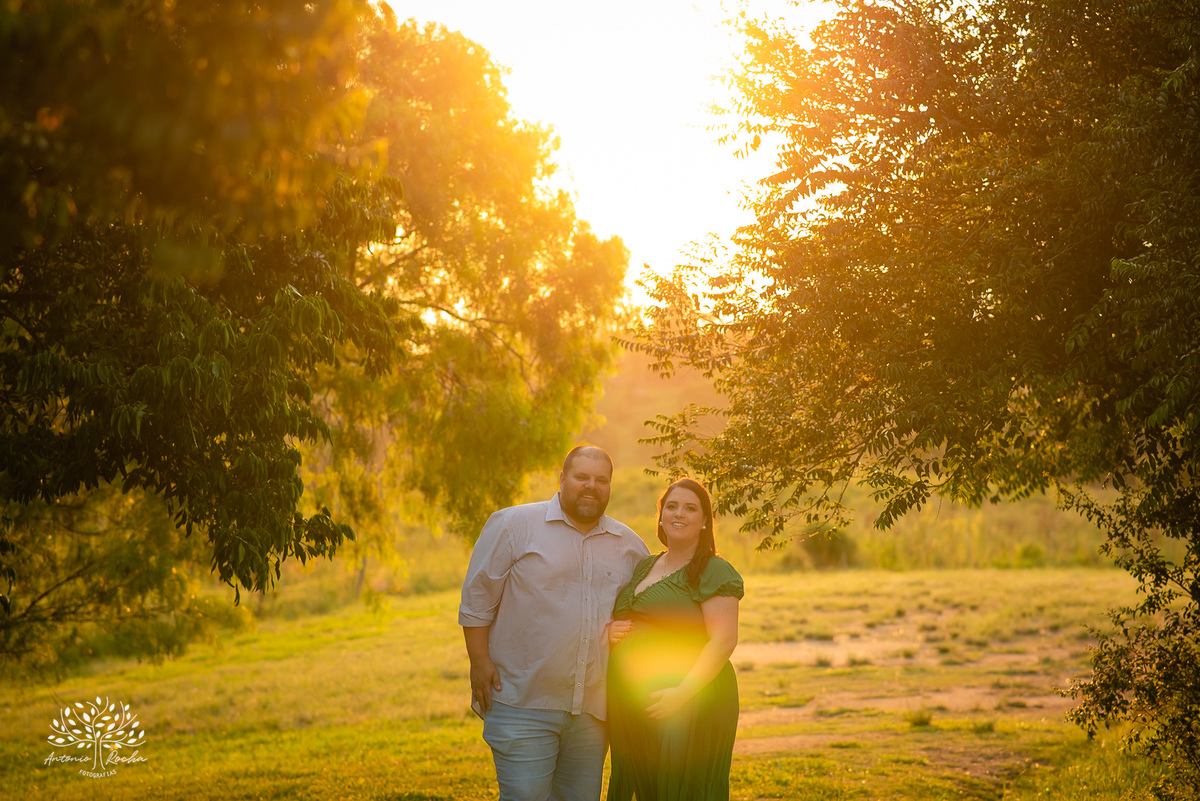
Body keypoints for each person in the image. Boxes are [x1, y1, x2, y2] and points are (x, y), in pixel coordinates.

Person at [459, 445, 650, 801]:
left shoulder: (629, 545)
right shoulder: (514, 525)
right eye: (581, 477)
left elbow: (645, 608)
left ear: (610, 486)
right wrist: (479, 661)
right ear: (562, 479)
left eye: (601, 480)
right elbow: (477, 599)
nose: (591, 486)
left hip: (592, 712)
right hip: (522, 701)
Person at [606, 477, 743, 801]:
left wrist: (680, 695)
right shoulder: (645, 566)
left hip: (691, 701)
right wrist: (611, 631)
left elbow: (723, 641)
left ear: (705, 521)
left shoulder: (714, 570)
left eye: (690, 508)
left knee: (682, 789)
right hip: (638, 702)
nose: (679, 514)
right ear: (661, 515)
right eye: (672, 506)